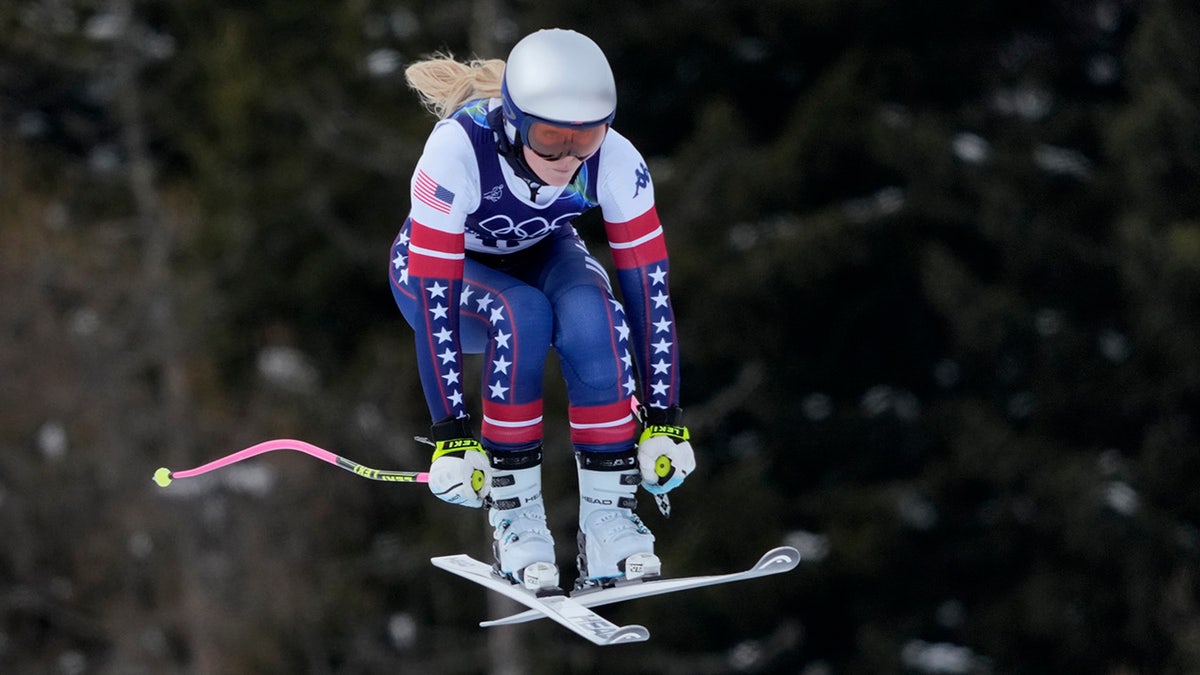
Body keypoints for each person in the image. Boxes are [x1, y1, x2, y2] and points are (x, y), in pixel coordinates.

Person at [390, 28, 695, 592]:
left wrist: (665, 421)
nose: (568, 158)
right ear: (513, 122)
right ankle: (516, 518)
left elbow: (650, 293)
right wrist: (453, 434)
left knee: (592, 313)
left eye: (586, 139)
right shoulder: (456, 150)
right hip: (438, 277)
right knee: (522, 313)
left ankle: (609, 521)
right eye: (551, 138)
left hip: (541, 252)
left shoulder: (616, 160)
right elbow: (436, 298)